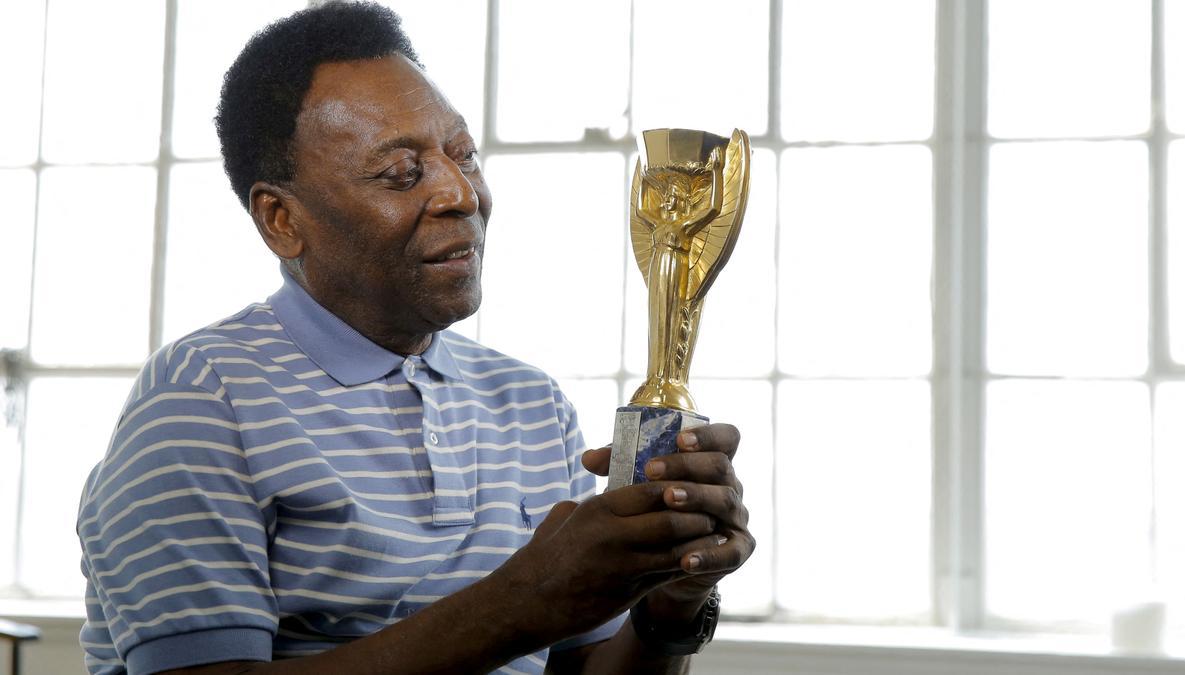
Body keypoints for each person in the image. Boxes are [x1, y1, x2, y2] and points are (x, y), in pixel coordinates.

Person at [75, 3, 754, 674]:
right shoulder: (202, 400)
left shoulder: (530, 403)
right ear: (282, 219)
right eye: (402, 173)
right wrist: (524, 599)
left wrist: (670, 597)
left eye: (464, 154)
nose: (461, 193)